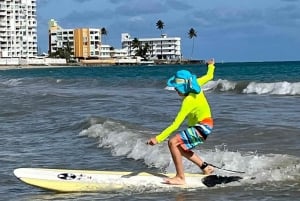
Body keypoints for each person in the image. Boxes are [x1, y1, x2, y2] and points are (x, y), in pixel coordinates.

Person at [147, 59, 216, 185]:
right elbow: (209, 76)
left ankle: (180, 177)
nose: (175, 90)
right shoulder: (196, 84)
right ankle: (206, 167)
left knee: (172, 142)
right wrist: (211, 66)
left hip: (202, 126)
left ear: (184, 87)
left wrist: (158, 138)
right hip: (206, 124)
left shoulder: (188, 101)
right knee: (180, 147)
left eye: (177, 88)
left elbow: (176, 124)